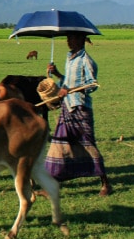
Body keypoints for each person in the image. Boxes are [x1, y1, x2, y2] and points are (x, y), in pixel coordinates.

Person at [45, 32, 113, 196]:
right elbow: (66, 82)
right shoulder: (70, 57)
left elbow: (92, 85)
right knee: (60, 145)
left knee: (88, 145)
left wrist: (69, 90)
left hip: (80, 107)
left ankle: (106, 183)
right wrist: (58, 74)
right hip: (67, 106)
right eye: (68, 38)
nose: (68, 41)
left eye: (72, 38)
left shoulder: (86, 60)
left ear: (82, 40)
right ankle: (52, 186)